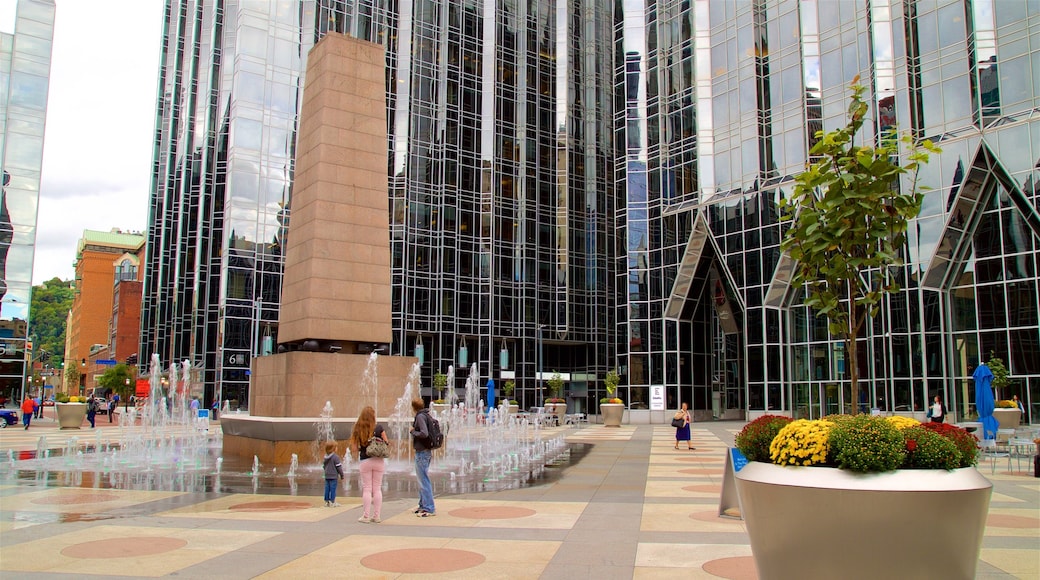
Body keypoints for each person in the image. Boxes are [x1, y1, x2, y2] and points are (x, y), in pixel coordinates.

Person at [350, 405, 387, 523]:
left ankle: (365, 516)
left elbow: (354, 448)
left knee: (367, 488)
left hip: (365, 460)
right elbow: (386, 442)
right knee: (377, 488)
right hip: (378, 460)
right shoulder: (379, 428)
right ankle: (376, 516)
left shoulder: (357, 428)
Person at [410, 398, 436, 517]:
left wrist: (413, 431)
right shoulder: (426, 415)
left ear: (413, 407)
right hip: (425, 451)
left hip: (422, 452)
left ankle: (429, 508)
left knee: (423, 479)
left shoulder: (420, 416)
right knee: (421, 479)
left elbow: (424, 433)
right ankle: (422, 505)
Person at [322, 441, 344, 507]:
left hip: (327, 475)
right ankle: (332, 501)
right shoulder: (335, 457)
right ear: (333, 449)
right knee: (333, 489)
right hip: (333, 476)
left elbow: (324, 466)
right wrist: (342, 474)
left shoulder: (325, 457)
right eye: (336, 447)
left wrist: (326, 471)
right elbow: (338, 467)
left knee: (327, 488)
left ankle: (326, 501)